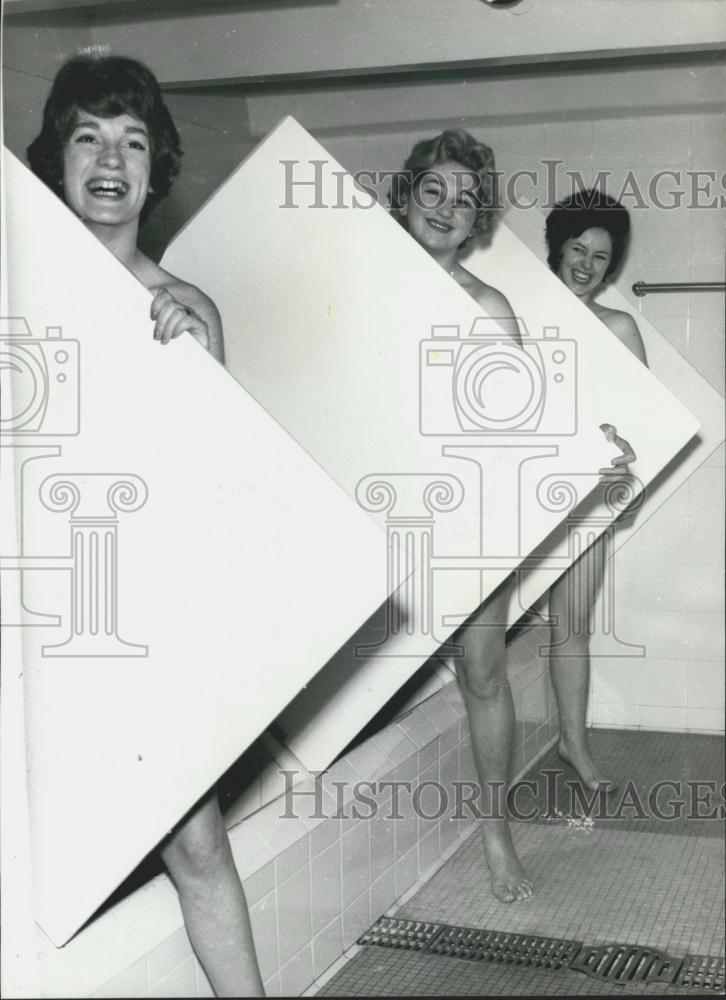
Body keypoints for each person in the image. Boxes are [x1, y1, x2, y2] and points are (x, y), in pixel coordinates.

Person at [28, 55, 264, 998]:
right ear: (58, 160)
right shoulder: (16, 292)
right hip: (31, 609)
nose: (110, 158)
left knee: (197, 836)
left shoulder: (189, 307)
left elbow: (227, 490)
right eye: (88, 136)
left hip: (139, 613)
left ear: (158, 168)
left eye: (131, 140)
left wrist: (200, 363)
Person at [391, 129, 533, 903]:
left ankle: (496, 832)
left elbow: (524, 427)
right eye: (433, 191)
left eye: (465, 199)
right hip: (379, 508)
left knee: (483, 673)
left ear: (479, 222)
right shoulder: (368, 288)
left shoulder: (489, 307)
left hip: (472, 511)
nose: (446, 208)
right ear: (406, 198)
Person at [545, 189, 647, 792]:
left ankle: (573, 744)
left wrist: (621, 481)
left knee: (572, 625)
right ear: (557, 246)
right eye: (578, 247)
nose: (585, 263)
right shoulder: (517, 312)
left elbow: (644, 425)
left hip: (582, 497)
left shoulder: (619, 326)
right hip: (517, 491)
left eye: (601, 257)